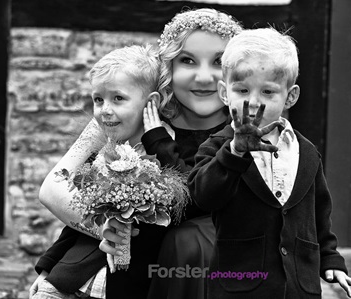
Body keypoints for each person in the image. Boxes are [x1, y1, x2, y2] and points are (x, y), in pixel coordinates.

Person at [188, 28, 351, 298]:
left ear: (291, 96)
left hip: (299, 288)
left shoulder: (306, 152)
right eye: (242, 90)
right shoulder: (218, 147)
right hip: (241, 287)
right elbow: (203, 197)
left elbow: (318, 214)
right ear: (225, 93)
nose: (253, 102)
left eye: (268, 92)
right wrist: (235, 152)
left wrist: (331, 262)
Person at [99, 8, 243, 299]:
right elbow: (100, 191)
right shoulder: (146, 120)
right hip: (139, 274)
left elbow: (200, 198)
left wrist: (160, 144)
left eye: (219, 62)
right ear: (169, 67)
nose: (204, 77)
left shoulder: (241, 135)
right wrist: (53, 263)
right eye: (188, 60)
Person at [30, 44, 171, 299]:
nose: (105, 109)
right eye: (98, 99)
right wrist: (48, 266)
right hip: (73, 275)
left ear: (150, 103)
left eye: (118, 98)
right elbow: (77, 215)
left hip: (124, 282)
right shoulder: (104, 151)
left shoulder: (165, 152)